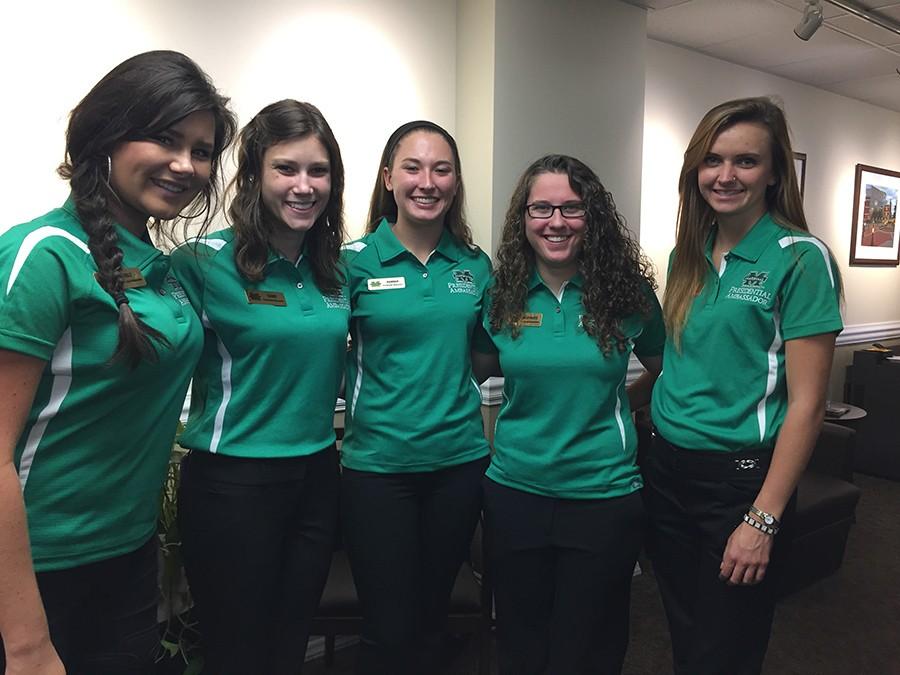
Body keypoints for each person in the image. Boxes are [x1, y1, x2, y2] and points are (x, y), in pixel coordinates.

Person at [0, 51, 235, 675]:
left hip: (127, 559)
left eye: (202, 150)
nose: (186, 165)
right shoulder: (46, 255)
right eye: (163, 138)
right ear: (106, 133)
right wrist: (24, 644)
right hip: (35, 572)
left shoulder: (162, 268)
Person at [644, 96, 843, 675]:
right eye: (712, 160)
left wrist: (764, 519)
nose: (725, 175)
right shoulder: (689, 254)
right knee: (683, 628)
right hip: (666, 470)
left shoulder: (800, 259)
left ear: (775, 171)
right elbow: (682, 366)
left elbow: (808, 405)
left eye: (745, 161)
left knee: (726, 646)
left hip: (739, 484)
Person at [170, 100, 348, 674]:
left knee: (289, 643)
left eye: (318, 171)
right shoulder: (202, 263)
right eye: (286, 169)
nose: (304, 186)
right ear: (253, 176)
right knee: (237, 652)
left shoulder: (335, 272)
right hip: (233, 484)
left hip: (318, 473)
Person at [481, 154, 664, 675]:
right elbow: (469, 371)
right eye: (541, 208)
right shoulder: (499, 294)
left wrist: (617, 408)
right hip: (516, 491)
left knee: (591, 645)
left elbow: (666, 370)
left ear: (593, 217)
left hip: (603, 497)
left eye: (571, 208)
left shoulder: (626, 293)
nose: (555, 222)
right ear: (524, 218)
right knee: (520, 640)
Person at [340, 120, 493, 674]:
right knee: (386, 626)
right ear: (388, 178)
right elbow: (328, 354)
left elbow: (479, 357)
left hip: (458, 464)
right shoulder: (350, 261)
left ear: (455, 182)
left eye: (441, 168)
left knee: (434, 618)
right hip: (378, 469)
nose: (427, 181)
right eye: (412, 167)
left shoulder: (476, 266)